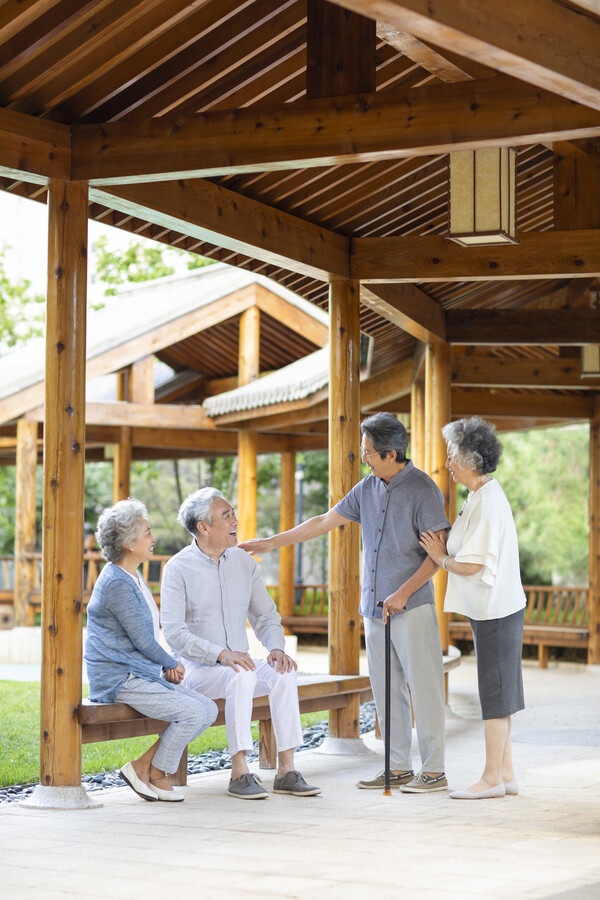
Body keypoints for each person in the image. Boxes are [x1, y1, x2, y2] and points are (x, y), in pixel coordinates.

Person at [239, 412, 450, 794]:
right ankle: (397, 767)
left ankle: (434, 771)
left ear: (391, 452)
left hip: (412, 606)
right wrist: (272, 542)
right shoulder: (366, 488)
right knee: (387, 692)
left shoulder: (423, 489)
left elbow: (437, 554)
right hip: (373, 609)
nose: (364, 457)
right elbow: (322, 521)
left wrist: (403, 592)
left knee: (425, 688)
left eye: (369, 451)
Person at [160, 487, 321, 800]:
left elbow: (266, 616)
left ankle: (287, 770)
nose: (235, 520)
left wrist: (276, 649)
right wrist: (221, 654)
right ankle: (239, 772)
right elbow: (174, 633)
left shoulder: (244, 563)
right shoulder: (177, 568)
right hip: (197, 671)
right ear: (203, 528)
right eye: (226, 516)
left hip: (240, 665)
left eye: (232, 513)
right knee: (241, 673)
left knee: (283, 672)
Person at [419, 416, 526, 800]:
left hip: (497, 611)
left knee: (495, 696)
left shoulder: (488, 502)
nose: (448, 463)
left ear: (472, 459)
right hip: (494, 610)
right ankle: (507, 773)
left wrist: (440, 558)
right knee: (501, 693)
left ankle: (491, 778)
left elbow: (475, 564)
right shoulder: (480, 496)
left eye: (453, 455)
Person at [84, 499, 218, 803]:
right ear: (130, 543)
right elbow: (143, 640)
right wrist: (171, 663)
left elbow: (143, 639)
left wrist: (164, 667)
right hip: (120, 679)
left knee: (207, 709)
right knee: (194, 712)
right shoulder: (116, 582)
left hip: (139, 673)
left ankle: (145, 767)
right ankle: (156, 773)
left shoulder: (134, 575)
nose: (153, 537)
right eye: (147, 532)